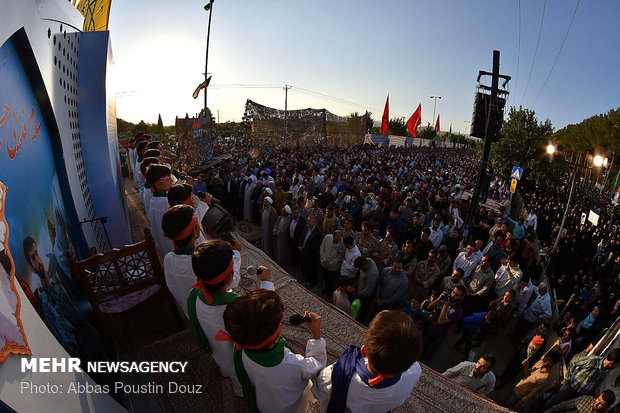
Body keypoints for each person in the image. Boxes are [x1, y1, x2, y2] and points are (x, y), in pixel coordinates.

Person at [188, 240, 274, 395]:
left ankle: (226, 371)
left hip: (218, 353)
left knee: (225, 361)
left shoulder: (193, 296)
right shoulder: (238, 309)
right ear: (229, 278)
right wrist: (267, 282)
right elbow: (265, 313)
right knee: (240, 380)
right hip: (239, 363)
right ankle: (240, 389)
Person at [222, 289, 326, 413]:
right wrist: (316, 335)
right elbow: (318, 368)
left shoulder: (241, 345)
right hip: (289, 408)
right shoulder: (294, 364)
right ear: (279, 328)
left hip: (263, 402)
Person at [312, 310, 423, 413]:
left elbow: (317, 391)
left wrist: (316, 338)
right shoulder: (415, 371)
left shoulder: (333, 376)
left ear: (364, 350)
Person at [161, 205, 203, 316]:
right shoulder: (202, 262)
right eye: (196, 224)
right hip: (204, 314)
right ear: (195, 232)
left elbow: (172, 288)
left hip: (187, 310)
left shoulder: (168, 258)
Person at [545, 348, 620, 408]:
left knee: (563, 408)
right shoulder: (593, 361)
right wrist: (567, 378)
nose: (617, 367)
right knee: (555, 404)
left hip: (580, 395)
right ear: (613, 363)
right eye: (618, 364)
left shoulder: (605, 371)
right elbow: (574, 361)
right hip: (571, 388)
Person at [422, 285, 466, 363]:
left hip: (439, 335)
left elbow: (441, 321)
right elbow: (429, 307)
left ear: (461, 297)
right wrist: (439, 299)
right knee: (421, 350)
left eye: (457, 295)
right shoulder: (447, 300)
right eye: (453, 292)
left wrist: (445, 305)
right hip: (430, 329)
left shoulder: (458, 311)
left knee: (428, 356)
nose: (453, 295)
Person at [145, 164, 174, 256]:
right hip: (171, 246)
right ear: (158, 184)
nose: (172, 181)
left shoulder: (156, 200)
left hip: (164, 246)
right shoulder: (164, 203)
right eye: (168, 179)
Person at [298, 215, 323, 288]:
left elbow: (314, 246)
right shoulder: (306, 228)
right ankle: (305, 277)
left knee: (312, 268)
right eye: (307, 220)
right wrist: (300, 245)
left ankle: (312, 282)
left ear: (314, 222)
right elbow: (301, 236)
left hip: (311, 255)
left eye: (309, 220)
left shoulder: (318, 233)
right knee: (305, 266)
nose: (307, 222)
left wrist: (303, 249)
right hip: (303, 252)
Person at [354, 257, 379, 324]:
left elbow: (369, 289)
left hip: (366, 295)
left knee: (364, 309)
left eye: (360, 268)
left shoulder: (372, 274)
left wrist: (360, 293)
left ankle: (360, 322)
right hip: (361, 289)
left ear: (364, 265)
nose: (360, 270)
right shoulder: (367, 260)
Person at [545, 389, 616, 413]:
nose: (596, 403)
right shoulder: (585, 400)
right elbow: (563, 405)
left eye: (601, 404)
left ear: (607, 407)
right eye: (598, 399)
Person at [319, 229, 344, 295]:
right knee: (325, 278)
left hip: (333, 266)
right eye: (337, 238)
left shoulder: (341, 243)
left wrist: (331, 264)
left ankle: (330, 293)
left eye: (340, 238)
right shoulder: (327, 237)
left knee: (332, 280)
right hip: (324, 263)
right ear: (333, 236)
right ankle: (325, 289)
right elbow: (322, 249)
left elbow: (340, 256)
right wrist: (324, 260)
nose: (339, 239)